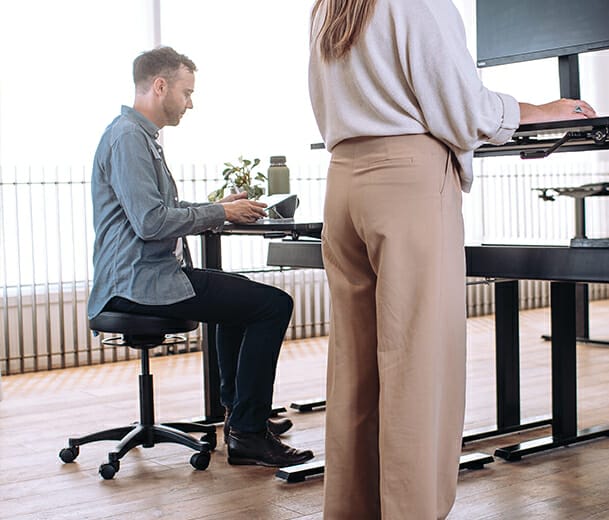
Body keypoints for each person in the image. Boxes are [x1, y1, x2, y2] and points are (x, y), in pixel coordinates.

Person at [308, 1, 596, 518]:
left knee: (355, 370)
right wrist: (541, 112)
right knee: (418, 365)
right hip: (406, 181)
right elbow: (466, 108)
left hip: (343, 180)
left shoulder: (331, 4)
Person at [88, 46, 314, 468]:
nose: (190, 103)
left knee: (241, 299)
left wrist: (220, 206)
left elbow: (153, 208)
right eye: (186, 93)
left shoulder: (136, 136)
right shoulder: (128, 138)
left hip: (147, 276)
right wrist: (220, 213)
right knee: (273, 305)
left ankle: (239, 414)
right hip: (141, 284)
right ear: (160, 87)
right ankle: (247, 431)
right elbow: (151, 222)